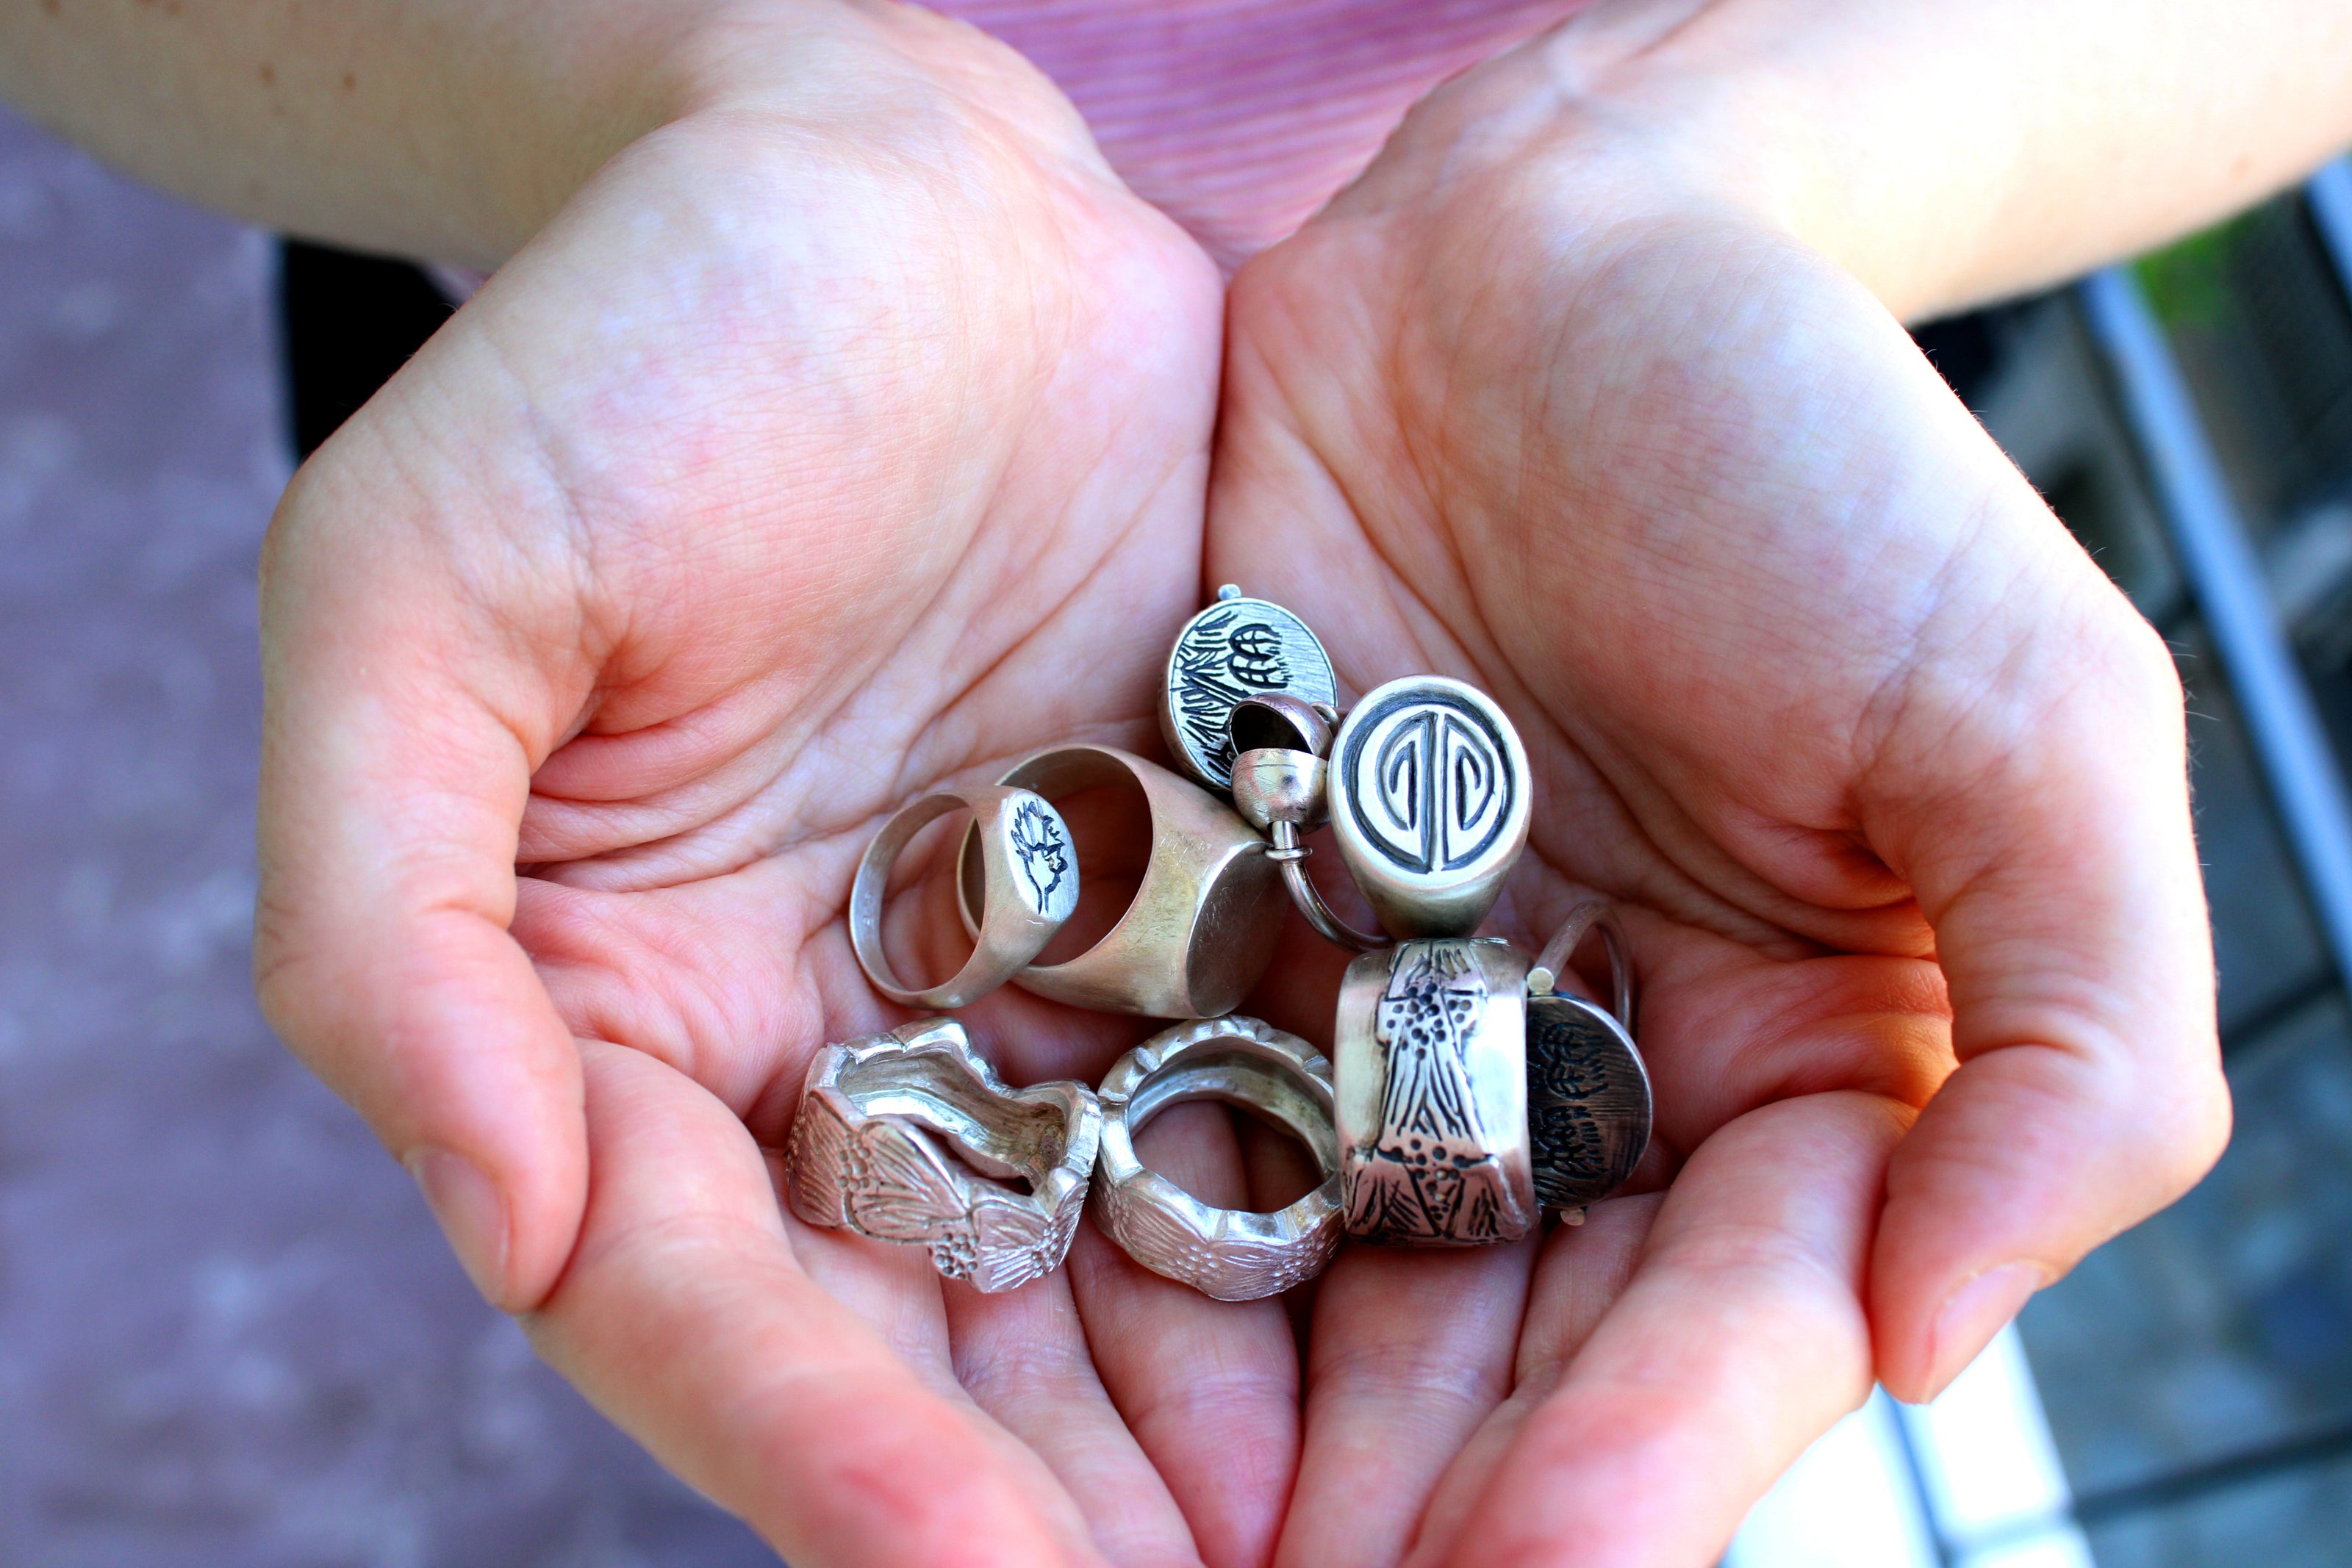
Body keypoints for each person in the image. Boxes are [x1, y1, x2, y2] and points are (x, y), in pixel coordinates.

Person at [6, 1, 2348, 1563]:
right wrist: (722, 95)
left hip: (1708, 403)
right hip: (677, 429)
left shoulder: (1394, 910)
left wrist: (1671, 171)